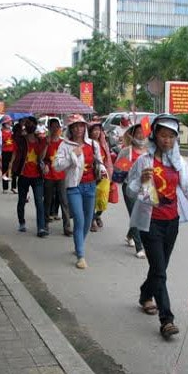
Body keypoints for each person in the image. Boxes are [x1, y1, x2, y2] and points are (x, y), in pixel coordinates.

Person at [127, 113, 188, 338]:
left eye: (172, 136)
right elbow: (130, 189)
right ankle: (167, 320)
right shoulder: (144, 161)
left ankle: (145, 294)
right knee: (160, 271)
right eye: (163, 135)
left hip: (171, 222)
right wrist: (141, 181)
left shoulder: (179, 162)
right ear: (155, 136)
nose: (167, 140)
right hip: (150, 221)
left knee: (159, 269)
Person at [54, 114, 107, 269]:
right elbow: (57, 166)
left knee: (88, 219)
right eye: (75, 126)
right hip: (73, 187)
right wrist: (72, 155)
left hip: (90, 186)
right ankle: (81, 255)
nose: (78, 129)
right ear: (70, 128)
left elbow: (99, 161)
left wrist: (103, 170)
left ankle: (79, 244)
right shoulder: (65, 145)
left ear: (85, 127)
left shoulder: (93, 144)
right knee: (79, 219)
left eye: (81, 125)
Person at [113, 122, 149, 258]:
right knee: (135, 214)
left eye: (142, 132)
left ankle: (130, 235)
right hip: (130, 187)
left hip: (146, 187)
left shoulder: (150, 150)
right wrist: (126, 166)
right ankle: (139, 247)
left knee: (144, 214)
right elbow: (117, 168)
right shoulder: (126, 151)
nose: (141, 135)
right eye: (138, 133)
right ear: (133, 135)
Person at [12, 116, 48, 237]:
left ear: (35, 125)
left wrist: (46, 145)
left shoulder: (40, 140)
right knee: (22, 200)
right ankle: (21, 222)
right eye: (27, 123)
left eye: (31, 123)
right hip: (23, 175)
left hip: (37, 175)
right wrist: (20, 125)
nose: (29, 125)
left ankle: (41, 227)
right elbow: (14, 135)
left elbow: (42, 157)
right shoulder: (21, 139)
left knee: (39, 201)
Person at [43, 118, 71, 236]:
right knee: (48, 201)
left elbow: (68, 158)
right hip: (49, 175)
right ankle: (44, 224)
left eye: (57, 126)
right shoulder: (45, 141)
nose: (55, 129)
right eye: (52, 126)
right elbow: (41, 158)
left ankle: (67, 227)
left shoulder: (63, 143)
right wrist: (46, 145)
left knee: (64, 201)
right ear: (48, 128)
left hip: (61, 175)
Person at [88, 120, 114, 232]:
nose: (97, 132)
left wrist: (110, 173)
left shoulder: (103, 144)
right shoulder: (87, 144)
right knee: (92, 198)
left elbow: (108, 160)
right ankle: (92, 221)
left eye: (98, 130)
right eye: (94, 130)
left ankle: (96, 215)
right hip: (91, 174)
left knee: (104, 199)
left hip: (103, 174)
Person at [0, 115, 14, 194]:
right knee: (5, 169)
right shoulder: (0, 132)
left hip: (13, 152)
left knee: (13, 169)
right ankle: (5, 187)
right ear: (4, 123)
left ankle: (13, 186)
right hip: (4, 152)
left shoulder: (13, 131)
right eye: (8, 122)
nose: (9, 123)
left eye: (10, 121)